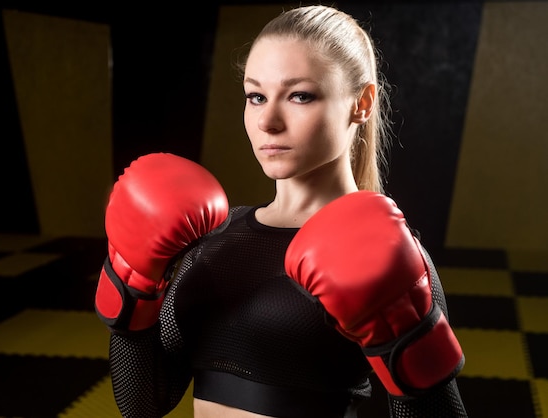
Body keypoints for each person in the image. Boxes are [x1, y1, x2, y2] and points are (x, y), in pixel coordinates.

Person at [95, 4, 469, 418]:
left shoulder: (387, 256)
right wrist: (131, 282)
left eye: (299, 96)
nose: (268, 121)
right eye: (256, 96)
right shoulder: (212, 241)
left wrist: (406, 335)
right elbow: (143, 405)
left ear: (361, 104)